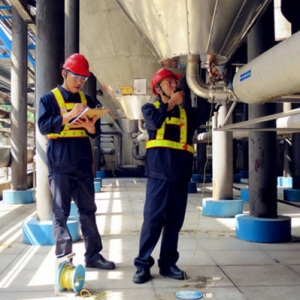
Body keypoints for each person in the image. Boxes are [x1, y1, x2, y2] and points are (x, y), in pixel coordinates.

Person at [38, 53, 115, 270]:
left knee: (88, 210)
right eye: (75, 77)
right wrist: (68, 115)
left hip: (82, 164)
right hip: (60, 164)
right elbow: (43, 127)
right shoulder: (49, 99)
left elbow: (94, 132)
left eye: (83, 78)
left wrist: (91, 128)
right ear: (64, 73)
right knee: (61, 213)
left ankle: (93, 256)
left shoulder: (88, 100)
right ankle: (64, 261)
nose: (79, 82)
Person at [133, 68, 201, 284]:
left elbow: (208, 109)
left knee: (174, 222)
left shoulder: (186, 114)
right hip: (159, 174)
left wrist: (215, 81)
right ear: (158, 88)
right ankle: (143, 264)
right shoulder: (149, 109)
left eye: (174, 82)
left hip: (180, 175)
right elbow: (153, 124)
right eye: (168, 82)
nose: (174, 85)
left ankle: (168, 263)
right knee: (152, 220)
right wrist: (170, 103)